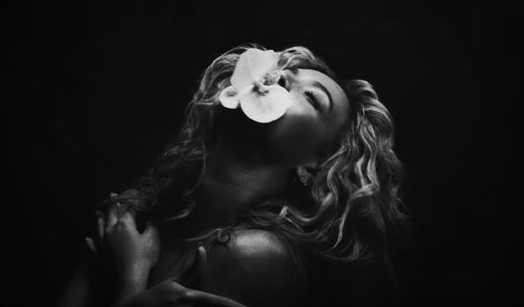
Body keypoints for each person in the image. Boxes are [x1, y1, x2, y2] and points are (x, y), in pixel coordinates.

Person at [58, 44, 407, 307]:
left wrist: (131, 273)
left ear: (314, 164)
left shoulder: (253, 255)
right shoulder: (136, 214)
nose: (281, 76)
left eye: (312, 98)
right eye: (284, 70)